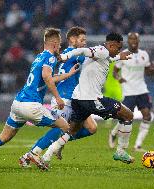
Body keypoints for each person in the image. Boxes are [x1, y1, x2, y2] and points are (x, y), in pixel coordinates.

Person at [0, 28, 79, 170]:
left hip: (18, 103)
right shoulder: (50, 57)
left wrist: (68, 75)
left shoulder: (39, 57)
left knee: (4, 136)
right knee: (64, 126)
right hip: (31, 105)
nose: (61, 47)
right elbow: (46, 77)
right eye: (60, 44)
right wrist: (58, 98)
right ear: (54, 44)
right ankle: (35, 154)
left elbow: (48, 78)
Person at [41, 33, 135, 169]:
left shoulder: (104, 53)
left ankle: (47, 156)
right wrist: (63, 57)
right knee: (128, 115)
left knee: (72, 130)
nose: (119, 50)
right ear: (111, 45)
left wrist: (119, 56)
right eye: (118, 48)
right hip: (92, 99)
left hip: (78, 99)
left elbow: (109, 58)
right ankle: (120, 151)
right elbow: (82, 51)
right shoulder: (101, 51)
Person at [18, 26, 98, 168]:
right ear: (72, 39)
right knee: (60, 128)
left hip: (76, 98)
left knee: (91, 128)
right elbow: (90, 56)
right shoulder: (74, 53)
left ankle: (57, 143)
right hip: (64, 97)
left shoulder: (69, 53)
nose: (85, 43)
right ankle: (30, 154)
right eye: (82, 39)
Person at [108, 32, 154, 152]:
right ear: (128, 41)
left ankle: (138, 146)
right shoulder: (123, 55)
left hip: (142, 90)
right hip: (129, 90)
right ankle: (113, 133)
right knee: (126, 118)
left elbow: (147, 71)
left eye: (135, 39)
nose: (133, 41)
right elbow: (115, 71)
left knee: (147, 115)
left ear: (138, 41)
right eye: (131, 39)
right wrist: (119, 78)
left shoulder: (144, 55)